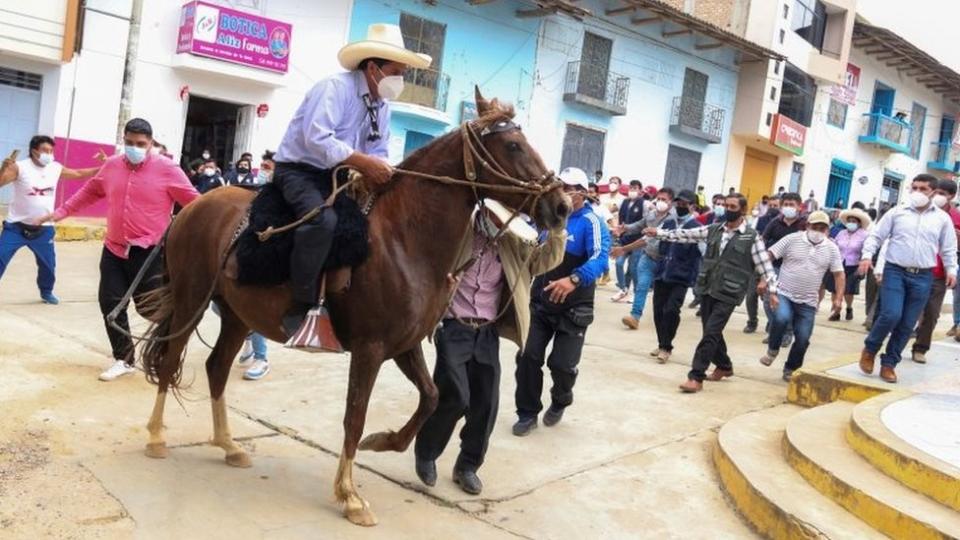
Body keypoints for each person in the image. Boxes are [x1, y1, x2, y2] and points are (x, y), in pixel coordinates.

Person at [273, 23, 430, 337]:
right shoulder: (334, 87)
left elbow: (379, 148)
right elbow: (317, 137)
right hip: (300, 171)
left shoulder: (382, 106)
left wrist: (383, 170)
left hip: (342, 175)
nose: (401, 80)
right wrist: (363, 162)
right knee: (322, 221)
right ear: (373, 67)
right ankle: (300, 302)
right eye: (397, 71)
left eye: (404, 73)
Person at [414, 200, 566, 495]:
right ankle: (427, 453)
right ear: (484, 211)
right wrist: (439, 282)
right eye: (497, 216)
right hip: (453, 325)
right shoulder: (458, 233)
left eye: (506, 219)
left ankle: (467, 466)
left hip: (487, 330)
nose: (502, 222)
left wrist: (558, 230)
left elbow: (541, 261)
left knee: (486, 403)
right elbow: (424, 262)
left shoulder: (513, 242)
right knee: (455, 395)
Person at [39, 118, 199, 381]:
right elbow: (91, 191)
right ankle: (124, 359)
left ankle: (170, 348)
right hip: (114, 248)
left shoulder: (168, 169)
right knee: (110, 303)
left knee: (150, 309)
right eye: (129, 142)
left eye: (140, 144)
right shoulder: (112, 165)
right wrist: (62, 211)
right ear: (123, 139)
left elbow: (193, 202)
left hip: (149, 251)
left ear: (150, 143)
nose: (134, 148)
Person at [643, 193, 778, 393]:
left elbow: (766, 267)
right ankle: (724, 365)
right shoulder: (714, 229)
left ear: (742, 210)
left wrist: (773, 291)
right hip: (708, 288)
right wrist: (659, 233)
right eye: (725, 205)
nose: (727, 209)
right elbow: (685, 235)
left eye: (732, 206)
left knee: (711, 332)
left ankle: (696, 377)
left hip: (730, 292)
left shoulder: (752, 237)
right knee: (710, 330)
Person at [513, 167, 610, 436]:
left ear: (582, 193)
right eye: (560, 185)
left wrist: (574, 279)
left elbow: (600, 258)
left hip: (574, 307)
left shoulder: (591, 222)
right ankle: (527, 412)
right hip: (540, 302)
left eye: (568, 187)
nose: (563, 192)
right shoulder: (547, 217)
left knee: (562, 365)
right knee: (528, 357)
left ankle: (561, 398)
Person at [858, 174, 958, 383]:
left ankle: (889, 363)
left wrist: (951, 270)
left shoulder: (942, 219)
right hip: (895, 271)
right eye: (914, 188)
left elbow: (948, 247)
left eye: (923, 189)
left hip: (923, 275)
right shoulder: (897, 213)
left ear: (933, 191)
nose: (917, 192)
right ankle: (870, 348)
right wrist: (867, 256)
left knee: (907, 323)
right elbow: (877, 236)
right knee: (891, 314)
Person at [0, 135, 102, 304]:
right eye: (45, 150)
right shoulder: (20, 167)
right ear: (34, 151)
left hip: (44, 228)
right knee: (1, 257)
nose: (49, 153)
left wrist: (105, 167)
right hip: (16, 227)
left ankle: (46, 292)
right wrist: (3, 169)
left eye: (51, 150)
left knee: (48, 265)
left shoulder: (55, 168)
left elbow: (78, 173)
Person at [760, 211, 844, 381]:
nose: (818, 231)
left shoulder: (831, 248)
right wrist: (765, 280)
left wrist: (838, 298)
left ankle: (791, 367)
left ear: (828, 229)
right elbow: (767, 256)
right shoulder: (792, 239)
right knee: (782, 318)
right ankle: (773, 349)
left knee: (803, 338)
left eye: (822, 228)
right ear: (807, 226)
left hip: (808, 300)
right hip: (784, 292)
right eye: (815, 227)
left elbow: (839, 274)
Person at [648, 189, 701, 363]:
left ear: (692, 206)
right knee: (658, 310)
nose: (680, 206)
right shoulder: (669, 223)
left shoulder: (697, 229)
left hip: (681, 277)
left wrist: (698, 277)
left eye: (684, 204)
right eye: (678, 203)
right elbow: (653, 241)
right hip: (662, 273)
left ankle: (666, 347)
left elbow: (703, 254)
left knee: (671, 310)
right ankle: (661, 342)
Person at [911, 179, 960, 363]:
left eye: (942, 193)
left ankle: (920, 348)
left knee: (932, 312)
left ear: (952, 196)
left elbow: (953, 249)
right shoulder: (921, 212)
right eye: (936, 192)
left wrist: (951, 270)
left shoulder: (956, 218)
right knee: (909, 309)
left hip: (939, 272)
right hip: (916, 268)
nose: (938, 196)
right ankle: (901, 340)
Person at [615, 187, 676, 329]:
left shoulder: (672, 220)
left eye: (664, 200)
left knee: (662, 295)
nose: (660, 202)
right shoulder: (651, 214)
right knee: (642, 286)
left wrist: (623, 249)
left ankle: (664, 321)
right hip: (648, 257)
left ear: (671, 202)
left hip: (665, 261)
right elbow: (640, 225)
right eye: (659, 199)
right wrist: (626, 228)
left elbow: (647, 240)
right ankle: (635, 316)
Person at [757, 192, 807, 343]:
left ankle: (787, 333)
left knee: (786, 303)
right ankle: (775, 330)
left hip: (794, 269)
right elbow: (762, 242)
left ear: (799, 207)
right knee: (768, 302)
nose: (788, 208)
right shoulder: (774, 223)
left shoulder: (804, 225)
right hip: (774, 267)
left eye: (791, 205)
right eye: (785, 204)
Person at [744, 196, 781, 333]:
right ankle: (752, 321)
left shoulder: (783, 224)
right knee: (751, 296)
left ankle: (771, 323)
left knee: (770, 298)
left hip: (777, 266)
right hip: (758, 263)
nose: (773, 208)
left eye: (776, 206)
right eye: (771, 205)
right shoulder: (759, 220)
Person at [826, 208, 871, 321]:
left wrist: (863, 261)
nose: (851, 223)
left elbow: (867, 249)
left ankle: (849, 307)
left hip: (853, 265)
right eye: (849, 220)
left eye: (854, 221)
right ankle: (835, 310)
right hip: (839, 263)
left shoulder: (864, 235)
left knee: (848, 290)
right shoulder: (841, 233)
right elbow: (835, 245)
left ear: (859, 223)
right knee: (834, 288)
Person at [611, 180, 644, 303]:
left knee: (633, 268)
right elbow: (612, 210)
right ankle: (623, 289)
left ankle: (636, 293)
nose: (632, 190)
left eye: (635, 188)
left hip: (637, 241)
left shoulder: (644, 204)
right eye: (631, 188)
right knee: (619, 263)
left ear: (640, 190)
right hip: (624, 240)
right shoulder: (623, 202)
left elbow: (646, 220)